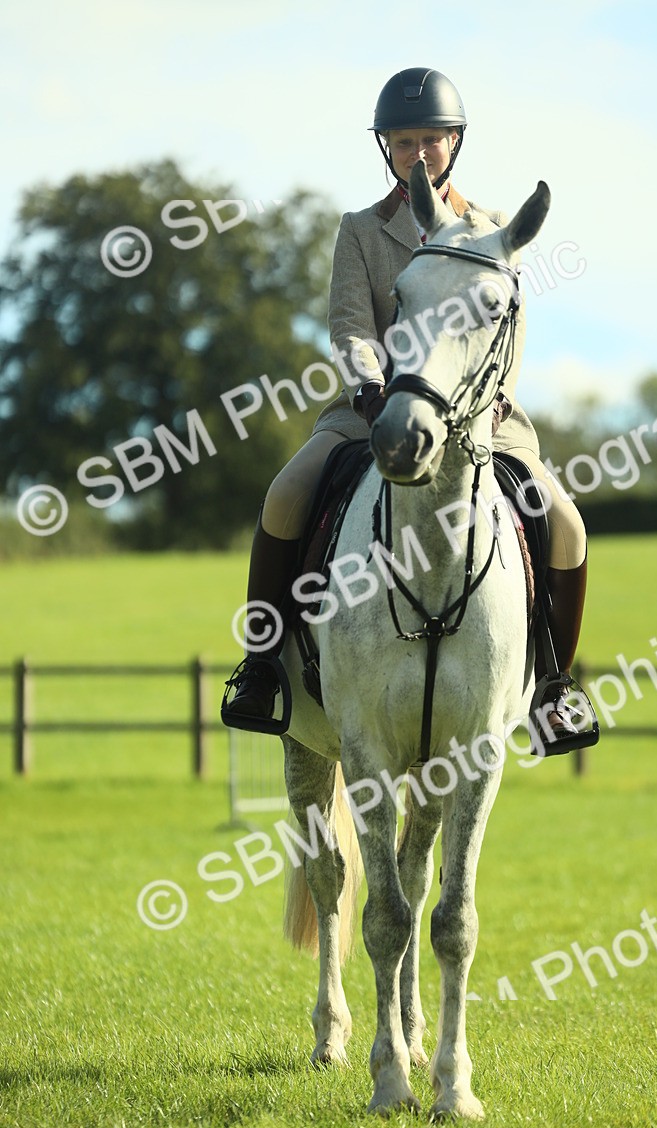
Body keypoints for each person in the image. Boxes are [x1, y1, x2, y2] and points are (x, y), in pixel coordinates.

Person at [221, 67, 589, 747]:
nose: (418, 151)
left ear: (455, 142)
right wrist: (369, 387)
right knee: (283, 497)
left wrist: (498, 396)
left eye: (431, 138)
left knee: (565, 524)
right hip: (372, 412)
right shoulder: (360, 230)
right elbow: (350, 325)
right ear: (384, 147)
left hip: (480, 420)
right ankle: (263, 667)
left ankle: (555, 686)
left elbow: (509, 325)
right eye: (403, 140)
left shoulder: (497, 229)